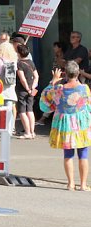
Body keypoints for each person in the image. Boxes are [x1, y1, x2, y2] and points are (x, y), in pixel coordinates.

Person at [39, 62, 91, 191]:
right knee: (83, 154)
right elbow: (88, 106)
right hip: (81, 124)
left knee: (68, 154)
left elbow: (45, 103)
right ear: (78, 73)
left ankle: (70, 183)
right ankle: (83, 184)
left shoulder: (59, 89)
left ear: (65, 74)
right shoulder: (84, 88)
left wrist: (53, 81)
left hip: (65, 125)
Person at [15, 43, 39, 138]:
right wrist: (32, 87)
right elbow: (36, 76)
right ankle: (32, 132)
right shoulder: (31, 62)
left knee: (22, 111)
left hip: (22, 90)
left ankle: (27, 132)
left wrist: (27, 88)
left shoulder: (19, 64)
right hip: (32, 90)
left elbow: (22, 79)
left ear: (19, 53)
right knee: (30, 110)